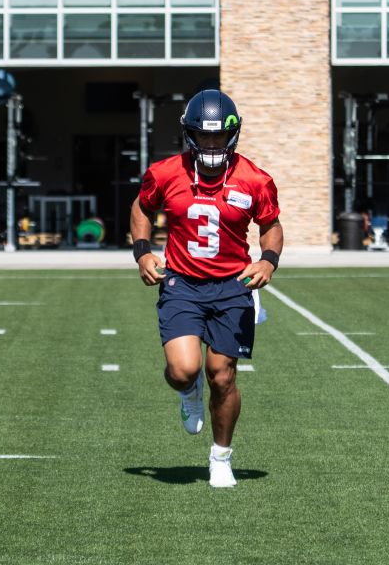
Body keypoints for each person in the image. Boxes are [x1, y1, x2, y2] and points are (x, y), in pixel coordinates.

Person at [129, 89, 283, 488]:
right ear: (189, 133)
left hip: (233, 286)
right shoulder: (165, 173)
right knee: (184, 371)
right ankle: (187, 393)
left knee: (223, 376)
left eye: (219, 136)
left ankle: (221, 457)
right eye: (204, 135)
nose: (212, 144)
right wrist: (143, 252)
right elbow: (142, 208)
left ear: (233, 135)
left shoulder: (255, 179)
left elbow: (270, 225)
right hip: (182, 282)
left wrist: (268, 260)